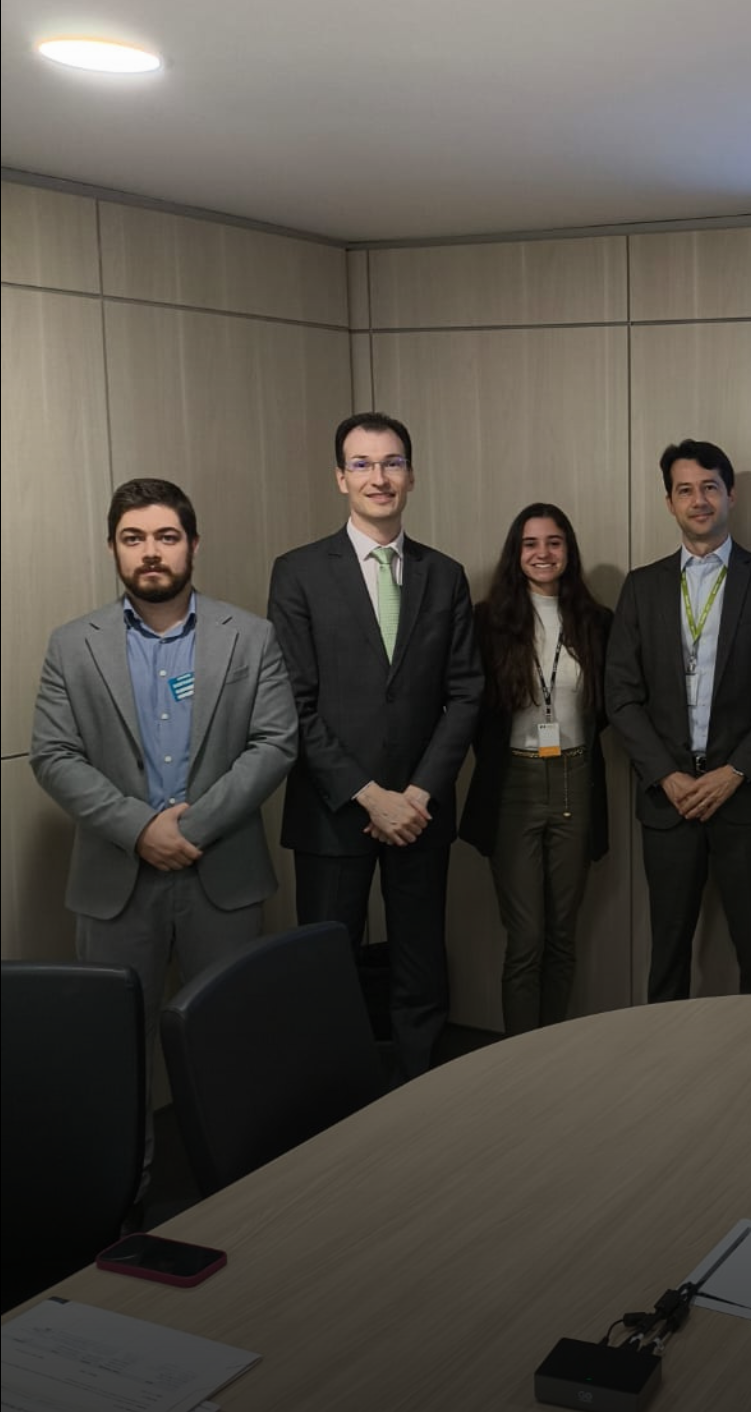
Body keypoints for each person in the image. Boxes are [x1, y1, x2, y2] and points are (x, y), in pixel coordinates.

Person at [30, 477, 298, 1176]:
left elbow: (275, 743)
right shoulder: (72, 645)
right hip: (115, 881)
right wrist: (140, 829)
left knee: (229, 1036)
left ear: (193, 545)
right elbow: (53, 755)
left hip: (223, 875)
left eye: (166, 536)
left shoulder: (251, 636)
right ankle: (126, 1193)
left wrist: (191, 828)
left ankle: (238, 1186)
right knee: (115, 1050)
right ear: (114, 549)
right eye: (134, 538)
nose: (151, 551)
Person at [269, 412, 482, 1080]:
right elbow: (294, 702)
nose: (378, 477)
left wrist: (415, 794)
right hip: (334, 806)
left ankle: (420, 1093)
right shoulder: (298, 573)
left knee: (420, 965)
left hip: (420, 809)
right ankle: (329, 1098)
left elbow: (466, 693)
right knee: (323, 965)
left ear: (411, 475)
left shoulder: (444, 575)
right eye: (361, 464)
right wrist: (369, 795)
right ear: (341, 478)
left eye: (392, 463)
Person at [605, 438, 751, 999]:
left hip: (746, 800)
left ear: (730, 495)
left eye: (709, 488)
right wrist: (666, 776)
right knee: (667, 952)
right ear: (669, 502)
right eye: (685, 490)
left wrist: (733, 772)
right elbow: (620, 697)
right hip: (668, 802)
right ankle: (664, 1054)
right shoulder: (641, 586)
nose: (698, 500)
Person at [460, 504, 610, 1034]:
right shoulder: (487, 621)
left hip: (576, 778)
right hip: (513, 783)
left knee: (563, 935)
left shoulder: (596, 622)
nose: (543, 554)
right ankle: (519, 1059)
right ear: (515, 553)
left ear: (569, 550)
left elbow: (609, 708)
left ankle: (554, 1055)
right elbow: (469, 708)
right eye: (530, 544)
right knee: (526, 938)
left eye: (554, 542)